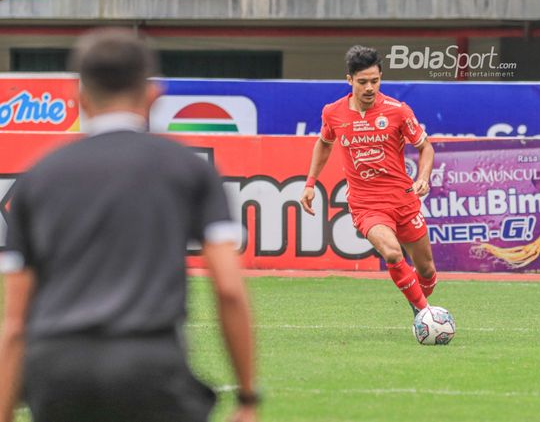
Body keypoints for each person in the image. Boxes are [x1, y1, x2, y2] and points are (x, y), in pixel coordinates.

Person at [0, 28, 258, 422]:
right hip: (149, 367)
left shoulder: (37, 178)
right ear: (153, 95)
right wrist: (247, 397)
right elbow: (229, 289)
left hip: (56, 371)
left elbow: (16, 322)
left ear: (80, 98)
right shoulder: (188, 169)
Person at [300, 45, 438, 316]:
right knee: (392, 253)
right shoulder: (333, 112)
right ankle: (426, 315)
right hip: (367, 204)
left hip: (403, 199)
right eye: (362, 82)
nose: (369, 88)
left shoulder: (398, 111)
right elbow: (324, 143)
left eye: (375, 81)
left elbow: (426, 147)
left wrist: (423, 177)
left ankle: (420, 303)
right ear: (349, 80)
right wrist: (310, 183)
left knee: (427, 271)